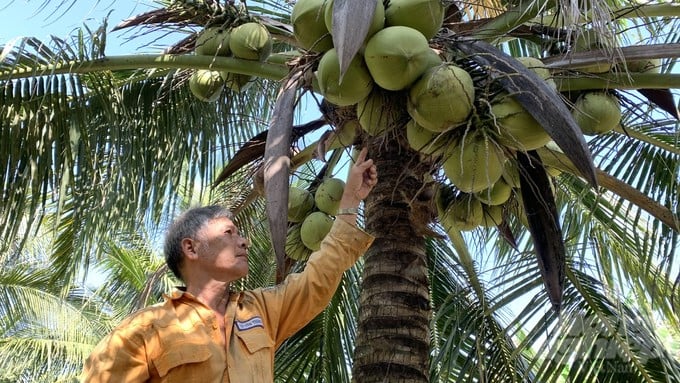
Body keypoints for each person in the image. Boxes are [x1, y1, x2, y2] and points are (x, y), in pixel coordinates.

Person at [81, 147, 378, 382]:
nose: (244, 241)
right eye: (229, 233)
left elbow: (320, 277)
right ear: (191, 248)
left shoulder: (263, 310)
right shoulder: (144, 330)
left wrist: (350, 201)